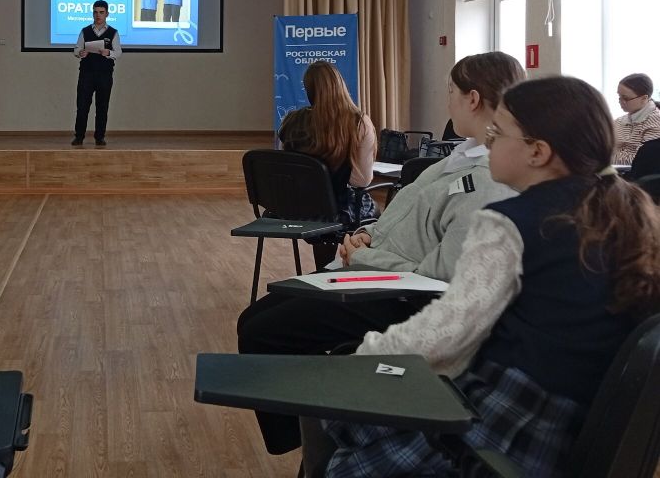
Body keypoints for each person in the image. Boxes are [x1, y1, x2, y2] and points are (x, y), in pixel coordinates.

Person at [315, 76, 660, 478]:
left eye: (497, 133)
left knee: (343, 429)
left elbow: (446, 334)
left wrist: (364, 356)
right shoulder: (627, 211)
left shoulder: (510, 223)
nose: (488, 141)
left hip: (506, 428)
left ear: (537, 152)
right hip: (572, 428)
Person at [237, 51, 525, 456]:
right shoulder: (457, 158)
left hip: (398, 294)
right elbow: (398, 211)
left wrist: (363, 257)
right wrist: (366, 234)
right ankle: (309, 432)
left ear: (473, 99)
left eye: (450, 92)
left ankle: (310, 440)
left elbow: (442, 275)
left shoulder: (488, 179)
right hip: (372, 267)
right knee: (252, 321)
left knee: (262, 332)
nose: (447, 102)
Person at [278, 60, 378, 227]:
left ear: (309, 90)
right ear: (340, 85)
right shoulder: (358, 122)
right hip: (337, 211)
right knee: (372, 208)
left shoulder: (291, 121)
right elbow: (361, 181)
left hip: (295, 209)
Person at [71, 0, 122, 147]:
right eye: (95, 12)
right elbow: (76, 49)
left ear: (107, 14)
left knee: (102, 107)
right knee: (82, 106)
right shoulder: (85, 31)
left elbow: (118, 52)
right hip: (86, 74)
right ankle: (79, 137)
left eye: (101, 12)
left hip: (104, 75)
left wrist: (108, 53)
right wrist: (80, 52)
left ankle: (100, 137)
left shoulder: (113, 32)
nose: (98, 15)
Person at [613, 72, 660, 164]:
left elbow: (642, 159)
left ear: (644, 98)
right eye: (619, 96)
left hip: (637, 173)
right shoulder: (618, 122)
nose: (620, 101)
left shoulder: (656, 122)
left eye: (625, 98)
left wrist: (606, 158)